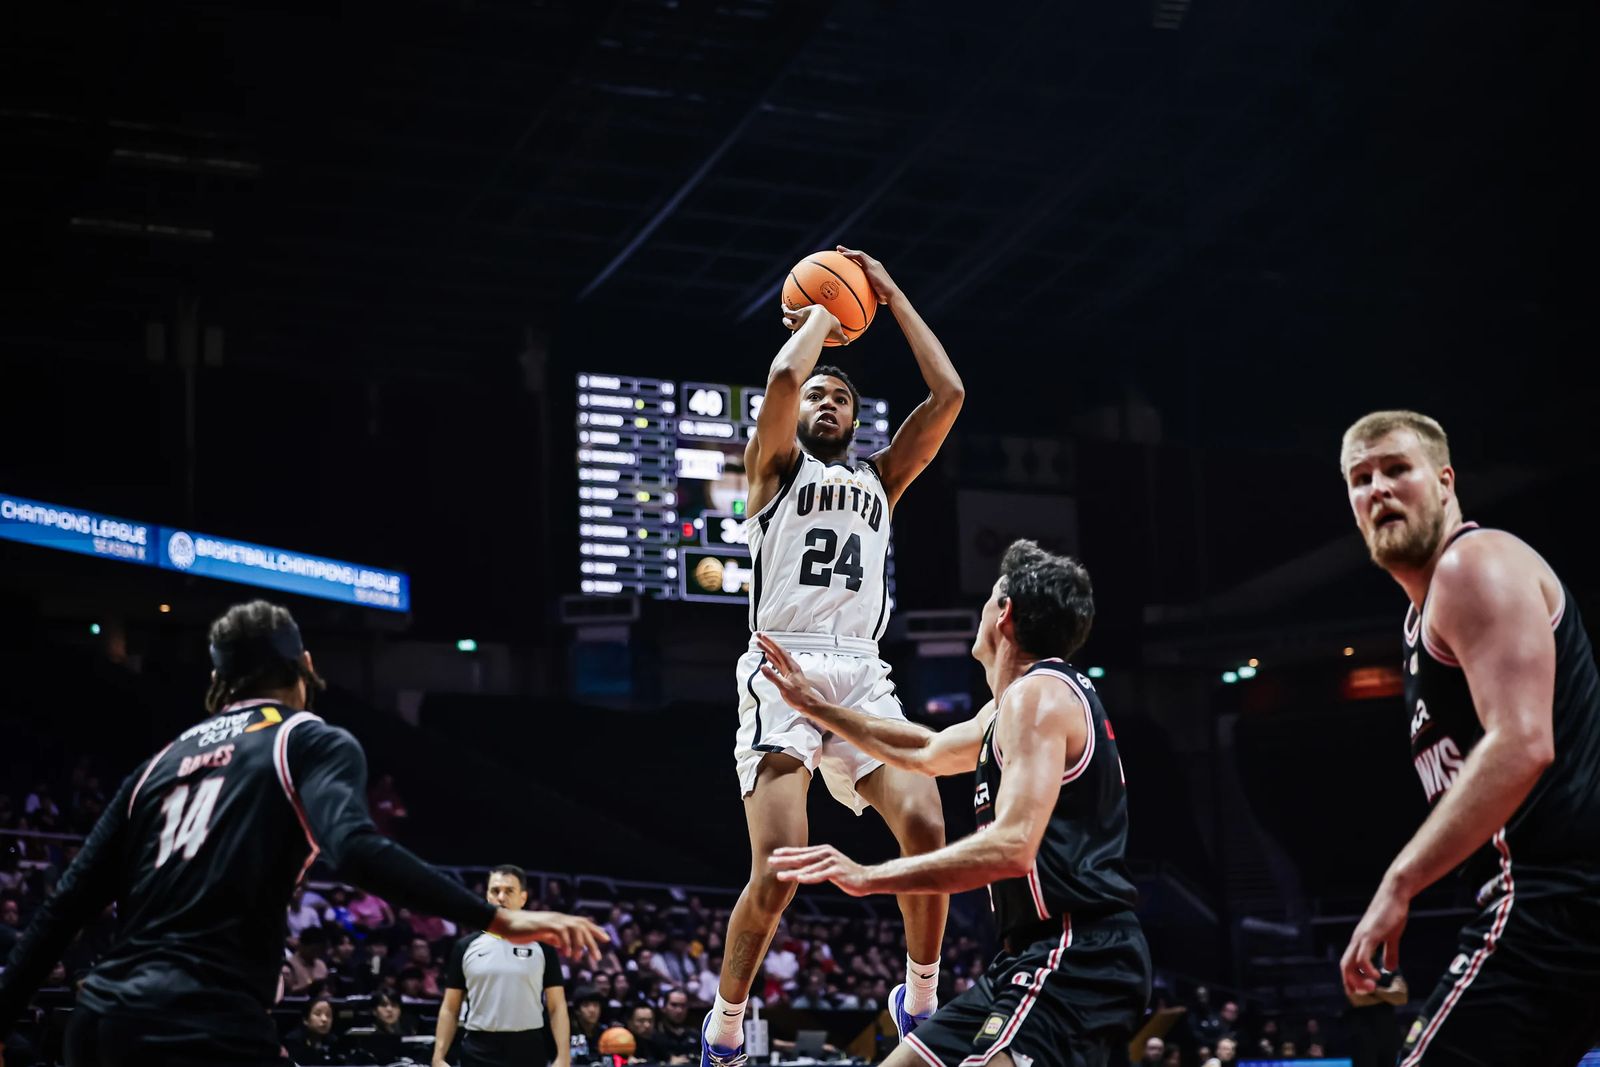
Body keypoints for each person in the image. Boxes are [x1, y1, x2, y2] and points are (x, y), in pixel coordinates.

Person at [0, 600, 605, 1067]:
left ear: (222, 681)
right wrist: (496, 917)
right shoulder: (305, 737)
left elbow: (63, 908)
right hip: (202, 1022)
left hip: (101, 1021)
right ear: (305, 665)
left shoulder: (157, 765)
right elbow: (356, 849)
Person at [704, 246, 965, 1066]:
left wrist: (886, 292)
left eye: (841, 396)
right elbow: (783, 380)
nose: (825, 399)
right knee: (779, 871)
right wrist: (821, 313)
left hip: (861, 669)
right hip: (783, 670)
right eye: (821, 391)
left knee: (926, 826)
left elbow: (950, 393)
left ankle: (920, 993)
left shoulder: (880, 481)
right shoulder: (772, 470)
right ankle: (725, 1021)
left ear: (855, 420)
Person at [760, 539, 1151, 1067]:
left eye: (990, 599)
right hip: (1024, 960)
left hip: (1075, 954)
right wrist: (817, 707)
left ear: (1005, 614)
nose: (984, 611)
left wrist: (870, 876)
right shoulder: (1010, 708)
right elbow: (923, 750)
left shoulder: (1041, 697)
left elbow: (1012, 847)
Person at [1335, 412, 1600, 1065]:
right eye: (1361, 478)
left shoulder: (1472, 564)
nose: (1379, 489)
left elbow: (1522, 743)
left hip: (1552, 901)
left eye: (1398, 469)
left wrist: (1399, 883)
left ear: (1446, 480)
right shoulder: (1420, 619)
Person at [434, 865, 570, 1067]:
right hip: (479, 1048)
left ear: (522, 898)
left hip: (528, 1048)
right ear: (487, 896)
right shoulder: (464, 947)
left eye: (509, 891)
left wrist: (563, 1056)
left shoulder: (543, 947)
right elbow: (450, 1008)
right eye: (495, 891)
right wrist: (438, 1056)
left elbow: (557, 1007)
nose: (501, 897)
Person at [282, 996, 346, 1066]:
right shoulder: (293, 1041)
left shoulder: (334, 1042)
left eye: (328, 1015)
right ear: (305, 1020)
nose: (324, 1019)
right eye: (318, 1014)